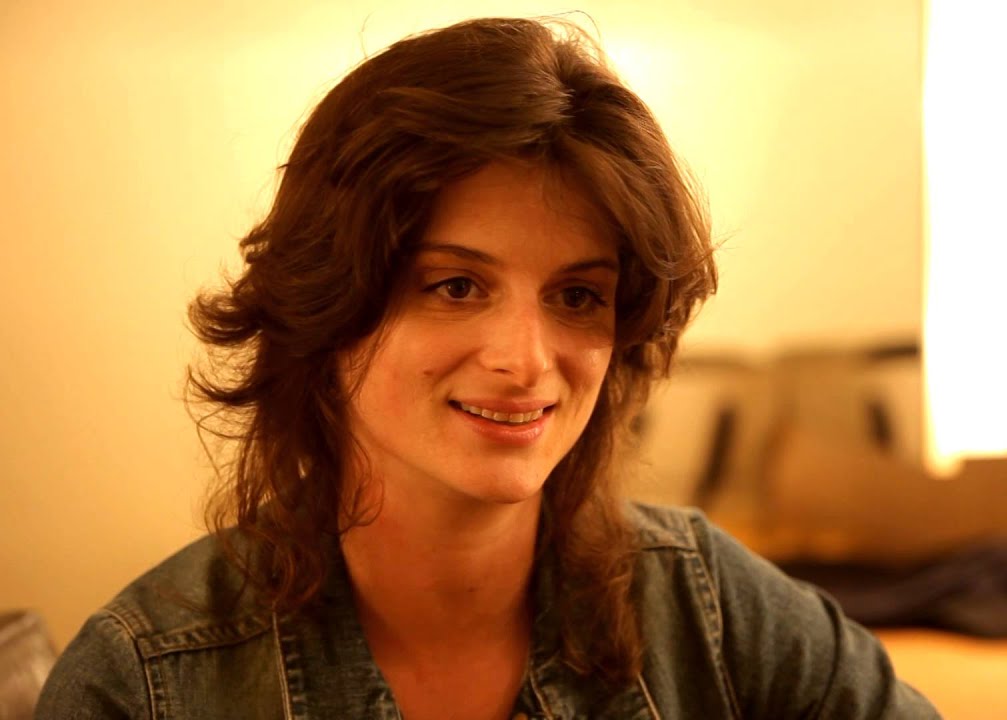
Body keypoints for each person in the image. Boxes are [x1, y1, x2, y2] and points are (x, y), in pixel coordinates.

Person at [36, 17, 938, 719]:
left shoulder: (712, 610)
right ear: (330, 303)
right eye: (457, 286)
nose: (525, 360)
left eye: (577, 296)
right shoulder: (147, 680)